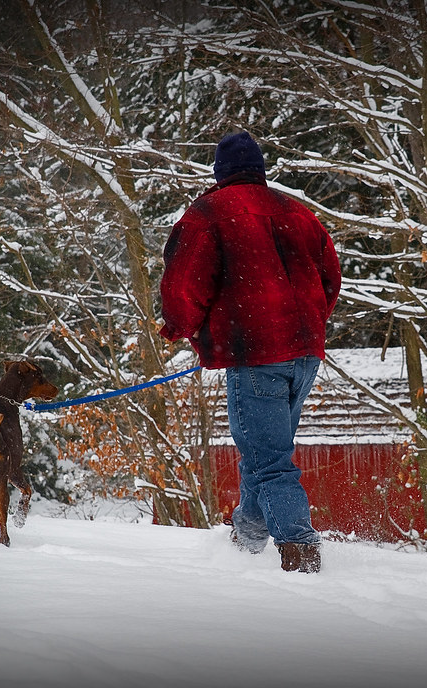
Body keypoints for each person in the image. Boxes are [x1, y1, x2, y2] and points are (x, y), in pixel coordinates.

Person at [158, 131, 341, 573]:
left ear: (219, 174)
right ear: (260, 170)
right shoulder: (298, 212)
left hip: (254, 354)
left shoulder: (208, 215)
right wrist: (309, 325)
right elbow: (329, 278)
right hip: (305, 352)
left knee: (269, 458)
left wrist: (181, 327)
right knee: (265, 451)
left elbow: (184, 287)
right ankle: (246, 542)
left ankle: (301, 552)